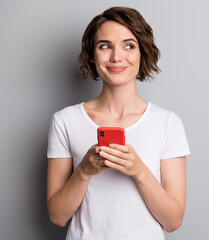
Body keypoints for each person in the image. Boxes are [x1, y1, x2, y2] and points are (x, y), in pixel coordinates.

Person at [46, 7, 191, 240]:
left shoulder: (167, 123)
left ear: (142, 52)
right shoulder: (65, 121)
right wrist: (84, 170)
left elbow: (173, 221)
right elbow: (57, 216)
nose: (116, 57)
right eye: (105, 46)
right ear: (92, 56)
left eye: (129, 45)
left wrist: (138, 171)